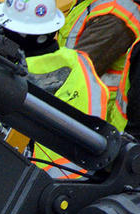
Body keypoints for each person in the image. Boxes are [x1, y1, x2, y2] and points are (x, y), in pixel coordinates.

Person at [0, 0, 111, 177]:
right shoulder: (82, 63)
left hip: (38, 185)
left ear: (13, 33)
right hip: (88, 178)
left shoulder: (13, 78)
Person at [60, 0, 140, 128]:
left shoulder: (116, 16)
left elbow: (71, 75)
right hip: (73, 112)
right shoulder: (95, 3)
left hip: (83, 120)